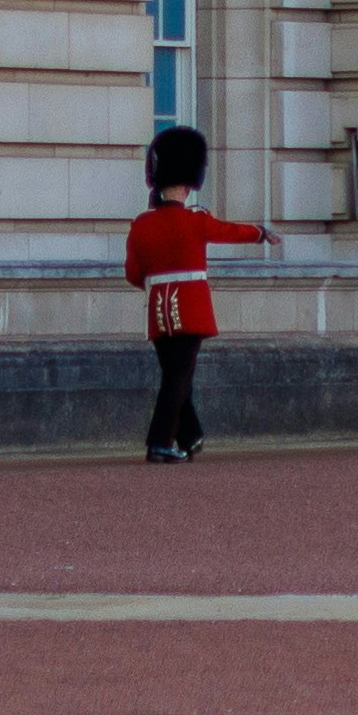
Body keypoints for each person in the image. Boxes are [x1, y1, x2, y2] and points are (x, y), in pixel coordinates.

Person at [127, 121, 267, 464]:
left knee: (176, 374)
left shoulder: (141, 223)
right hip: (189, 308)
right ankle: (159, 442)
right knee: (178, 376)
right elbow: (230, 232)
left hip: (158, 311)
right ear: (191, 177)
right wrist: (261, 233)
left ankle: (190, 436)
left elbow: (133, 274)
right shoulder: (196, 220)